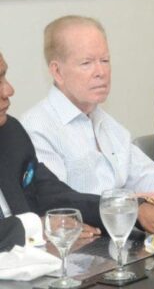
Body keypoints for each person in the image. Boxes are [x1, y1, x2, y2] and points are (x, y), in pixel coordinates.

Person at [20, 16, 154, 238]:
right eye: (86, 63)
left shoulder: (105, 122)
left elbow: (152, 178)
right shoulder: (36, 128)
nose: (100, 72)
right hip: (83, 248)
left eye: (105, 60)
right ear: (57, 72)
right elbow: (61, 204)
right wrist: (136, 201)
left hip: (126, 240)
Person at [0, 51, 102, 251]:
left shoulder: (10, 133)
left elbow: (48, 192)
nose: (9, 91)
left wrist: (121, 208)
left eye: (4, 76)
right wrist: (35, 227)